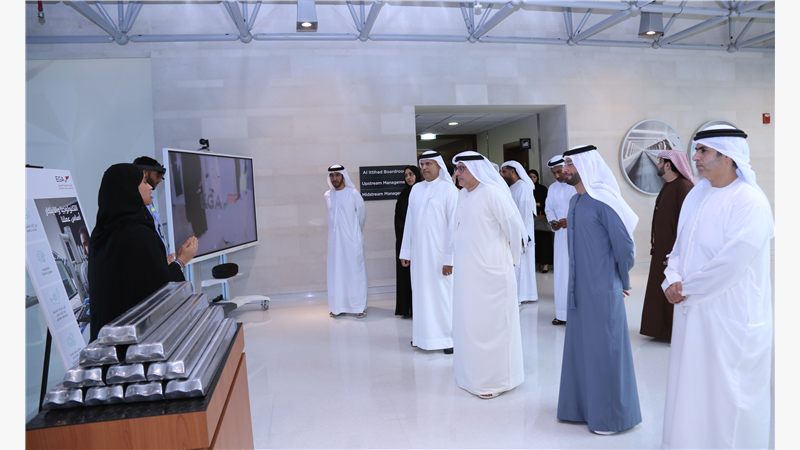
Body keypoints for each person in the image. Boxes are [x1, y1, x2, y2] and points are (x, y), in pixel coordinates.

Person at [661, 126, 773, 450]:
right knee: (691, 388)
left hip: (729, 316)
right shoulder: (697, 194)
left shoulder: (750, 201)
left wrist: (684, 287)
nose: (694, 157)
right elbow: (679, 248)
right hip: (692, 312)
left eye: (703, 151)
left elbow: (730, 265)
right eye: (696, 150)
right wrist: (671, 277)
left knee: (727, 399)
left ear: (727, 156)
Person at [556, 145, 641, 435]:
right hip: (578, 292)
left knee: (606, 352)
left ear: (585, 166)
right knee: (581, 350)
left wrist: (620, 279)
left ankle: (611, 417)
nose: (565, 169)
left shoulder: (603, 201)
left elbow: (625, 247)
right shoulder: (575, 201)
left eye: (570, 164)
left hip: (603, 289)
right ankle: (580, 409)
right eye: (565, 164)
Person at [89, 163, 198, 341]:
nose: (150, 187)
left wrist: (159, 265)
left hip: (106, 340)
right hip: (135, 343)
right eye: (144, 182)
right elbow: (160, 291)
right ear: (130, 189)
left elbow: (131, 281)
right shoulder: (137, 234)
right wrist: (181, 261)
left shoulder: (101, 233)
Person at [450, 151, 526, 399]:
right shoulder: (462, 195)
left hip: (492, 275)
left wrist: (510, 262)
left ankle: (496, 381)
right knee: (469, 325)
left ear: (476, 169)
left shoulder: (492, 193)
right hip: (467, 276)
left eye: (462, 168)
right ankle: (470, 376)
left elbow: (515, 229)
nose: (457, 173)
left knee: (492, 328)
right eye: (456, 169)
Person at [399, 151, 458, 354]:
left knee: (442, 297)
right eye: (422, 164)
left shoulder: (449, 190)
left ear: (439, 166)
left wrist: (450, 258)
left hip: (440, 256)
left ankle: (448, 339)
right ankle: (421, 337)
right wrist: (406, 251)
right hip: (419, 256)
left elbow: (454, 228)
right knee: (421, 295)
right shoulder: (416, 189)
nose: (424, 168)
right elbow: (409, 222)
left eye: (428, 164)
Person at [639, 150, 695, 341]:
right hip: (661, 250)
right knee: (658, 289)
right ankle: (660, 330)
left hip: (673, 252)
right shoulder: (668, 185)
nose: (657, 165)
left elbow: (686, 224)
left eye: (660, 161)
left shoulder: (684, 187)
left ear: (668, 165)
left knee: (671, 289)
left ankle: (673, 332)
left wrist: (673, 252)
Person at [324, 164, 368, 319]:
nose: (334, 178)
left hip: (352, 241)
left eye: (337, 175)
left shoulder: (353, 193)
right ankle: (337, 307)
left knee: (355, 273)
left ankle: (359, 306)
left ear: (343, 176)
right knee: (336, 273)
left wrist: (354, 234)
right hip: (335, 243)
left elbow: (361, 215)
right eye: (331, 175)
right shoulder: (327, 195)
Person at [544, 155, 577, 325]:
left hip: (578, 235)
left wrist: (570, 221)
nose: (557, 176)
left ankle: (578, 313)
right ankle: (562, 313)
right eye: (553, 173)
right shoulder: (552, 188)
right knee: (561, 273)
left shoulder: (577, 186)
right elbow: (549, 209)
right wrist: (553, 222)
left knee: (576, 272)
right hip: (560, 237)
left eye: (559, 172)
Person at [501, 160, 538, 304]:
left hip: (522, 232)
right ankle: (520, 295)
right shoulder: (513, 187)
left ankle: (521, 296)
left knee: (521, 264)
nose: (502, 174)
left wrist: (521, 234)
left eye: (504, 171)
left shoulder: (522, 186)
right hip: (515, 231)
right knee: (517, 264)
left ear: (513, 171)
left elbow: (524, 213)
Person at [394, 165, 421, 319]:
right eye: (406, 175)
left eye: (411, 174)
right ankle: (406, 309)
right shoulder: (403, 194)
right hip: (404, 241)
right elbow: (398, 219)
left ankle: (419, 309)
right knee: (405, 276)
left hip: (421, 241)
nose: (408, 177)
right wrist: (404, 241)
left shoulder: (423, 192)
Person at [133, 156, 170, 258]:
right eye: (157, 175)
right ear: (144, 173)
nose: (160, 179)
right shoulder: (135, 206)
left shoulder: (149, 200)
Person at [528, 169, 553, 273]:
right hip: (531, 220)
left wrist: (537, 204)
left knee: (545, 243)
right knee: (535, 242)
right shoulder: (526, 189)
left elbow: (547, 202)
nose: (532, 179)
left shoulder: (542, 189)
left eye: (534, 177)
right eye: (530, 177)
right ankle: (537, 263)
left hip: (542, 219)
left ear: (537, 178)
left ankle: (545, 264)